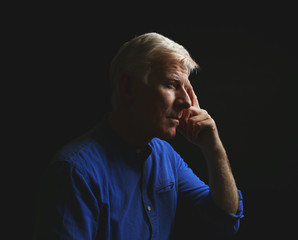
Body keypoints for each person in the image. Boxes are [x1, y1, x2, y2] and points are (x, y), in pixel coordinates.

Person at [33, 32, 244, 239]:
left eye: (186, 88)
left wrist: (213, 150)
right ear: (128, 88)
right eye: (171, 84)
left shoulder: (165, 156)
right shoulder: (76, 172)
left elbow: (224, 221)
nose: (187, 102)